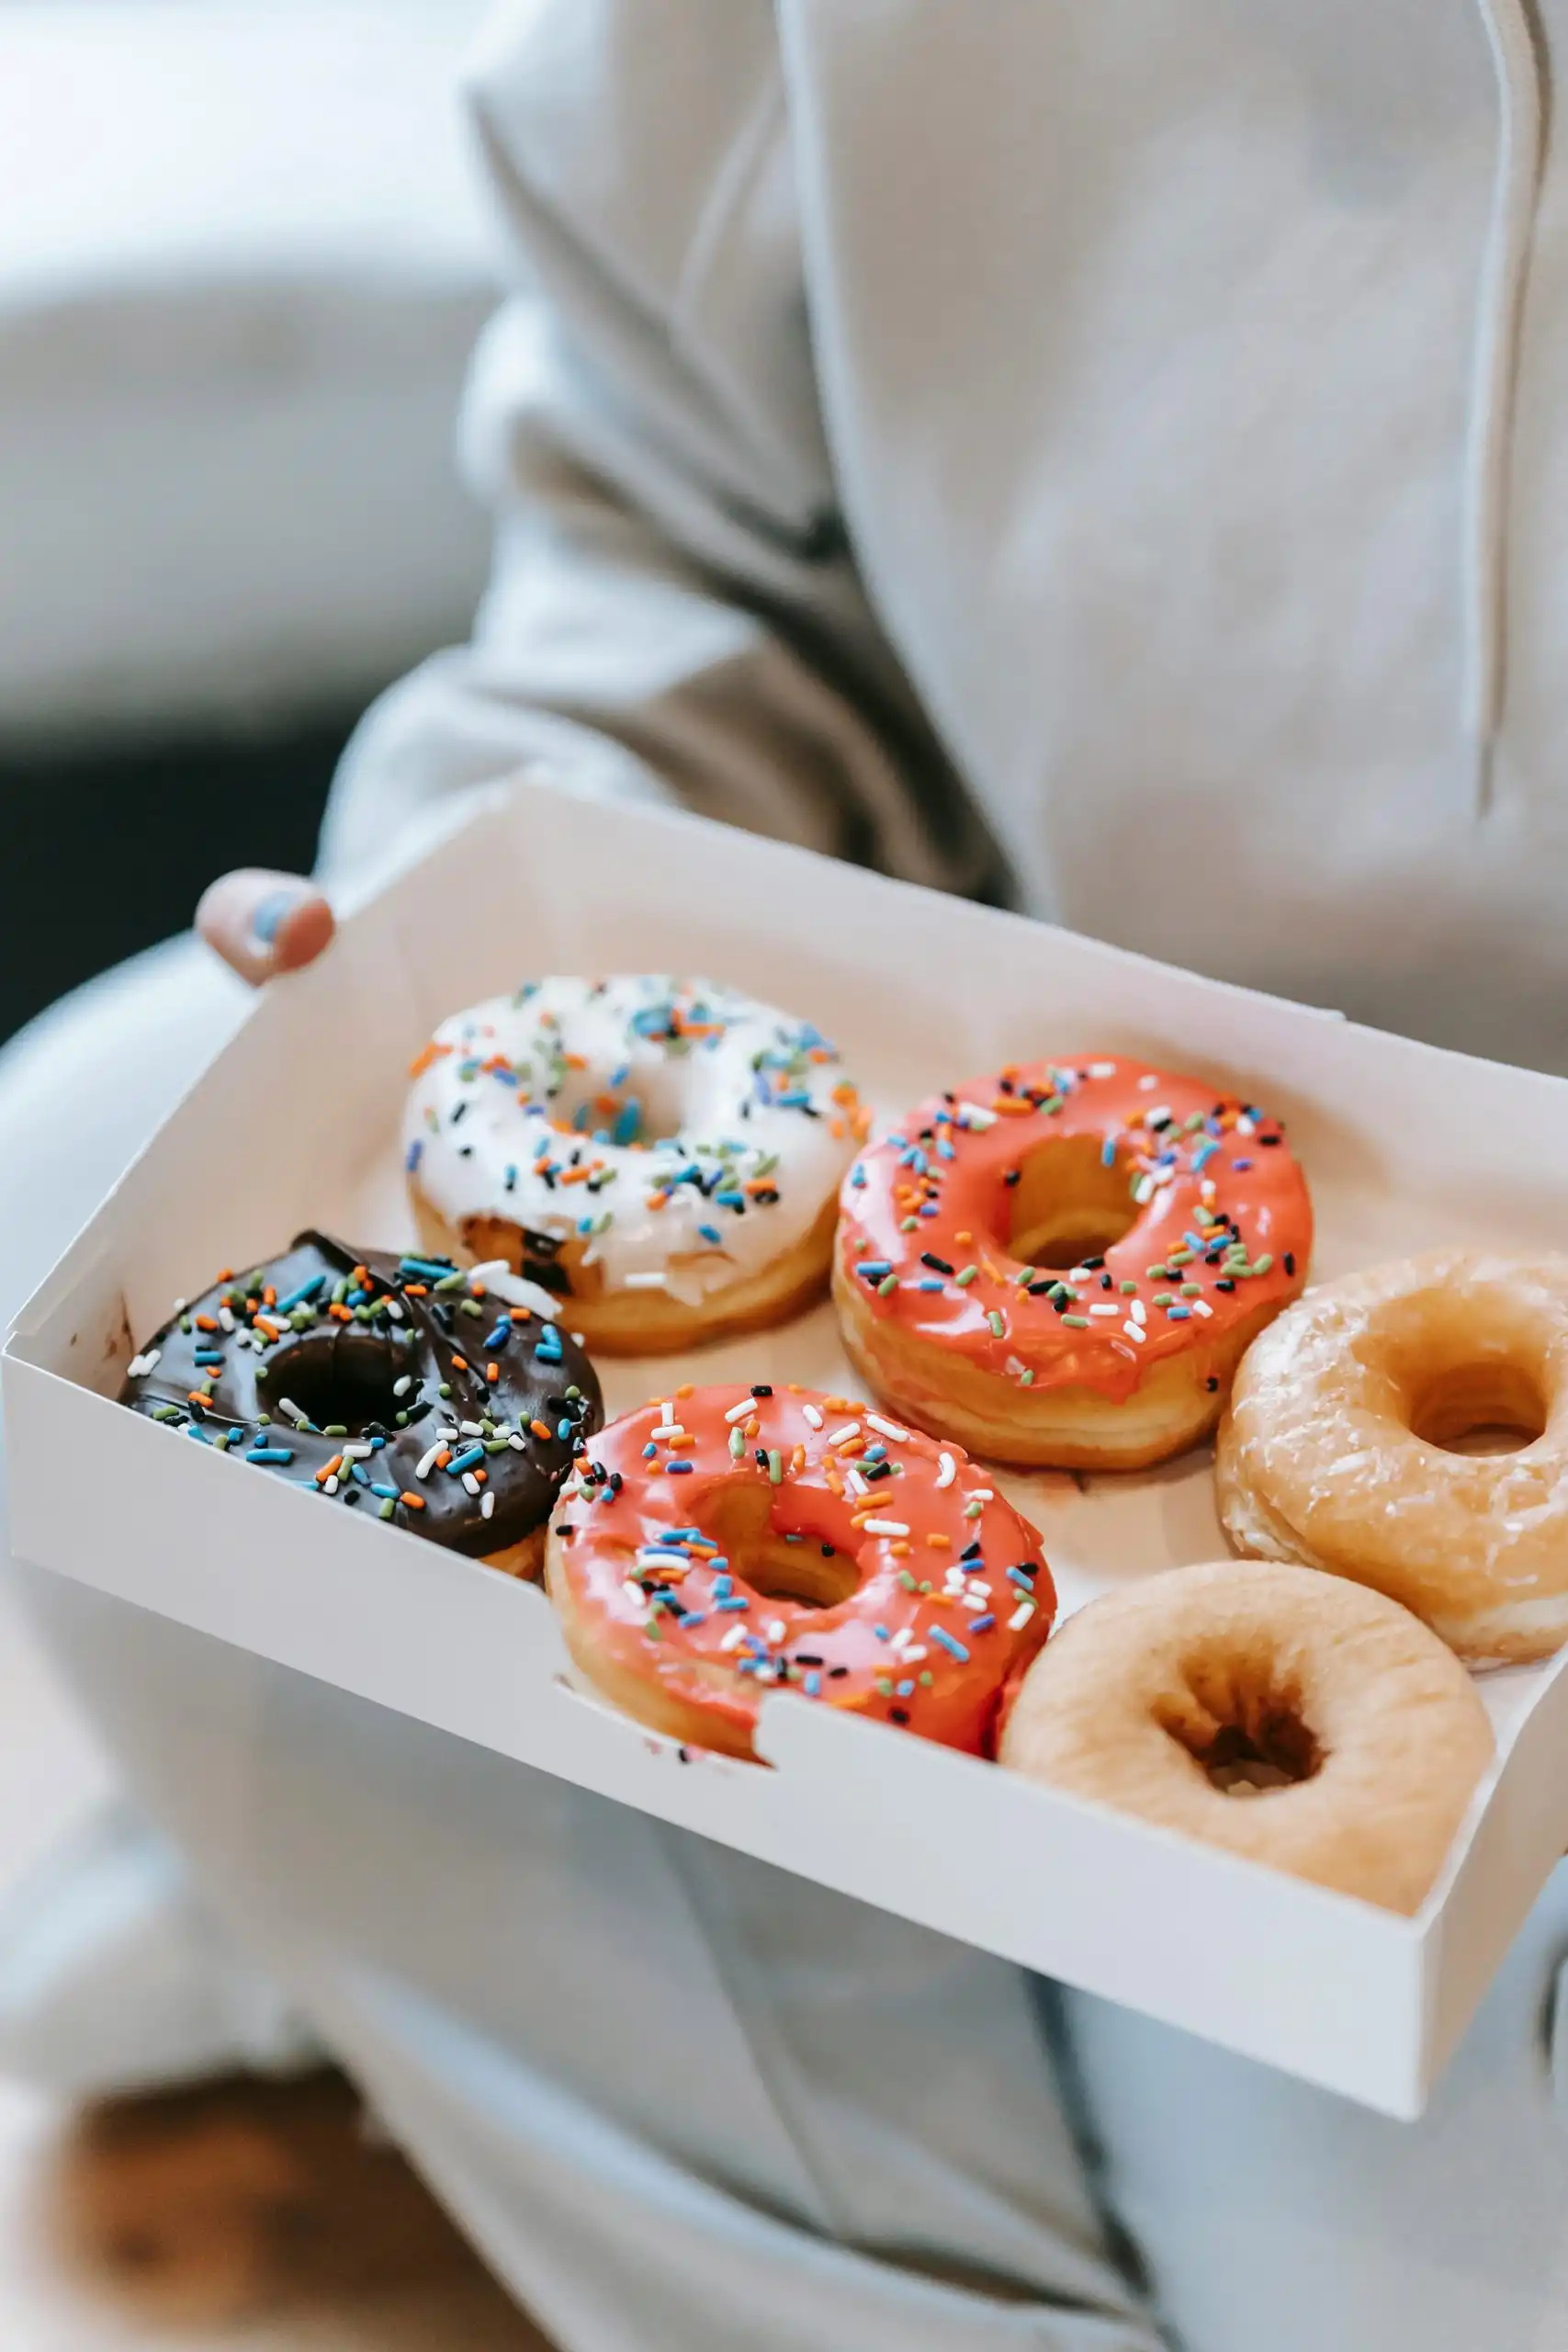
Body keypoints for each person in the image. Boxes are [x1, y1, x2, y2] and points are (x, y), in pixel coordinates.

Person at [6, 2, 1568, 2344]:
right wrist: (459, 893)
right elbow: (694, 547)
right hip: (1016, 1171)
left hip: (1400, 1595)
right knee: (75, 1144)